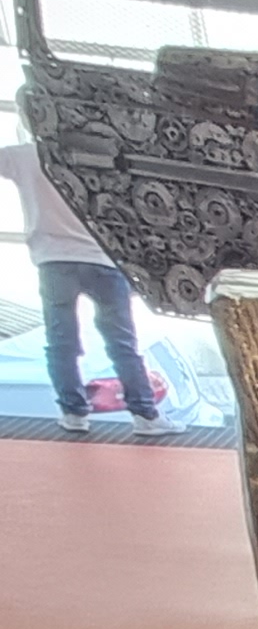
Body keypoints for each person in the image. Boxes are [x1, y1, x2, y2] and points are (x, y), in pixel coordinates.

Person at [0, 138, 160, 434]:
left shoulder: (25, 155)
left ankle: (73, 413)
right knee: (122, 342)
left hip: (54, 260)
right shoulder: (100, 148)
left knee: (61, 342)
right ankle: (145, 416)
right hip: (103, 258)